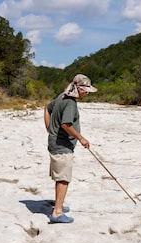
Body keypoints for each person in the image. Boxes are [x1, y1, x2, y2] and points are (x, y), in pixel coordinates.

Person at [44, 74, 97, 224]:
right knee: (63, 179)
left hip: (56, 144)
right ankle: (57, 213)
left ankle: (58, 205)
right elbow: (65, 124)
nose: (87, 93)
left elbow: (47, 109)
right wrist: (81, 138)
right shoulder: (70, 103)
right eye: (86, 90)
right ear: (79, 89)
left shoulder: (62, 96)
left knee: (61, 177)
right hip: (62, 146)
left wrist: (49, 128)